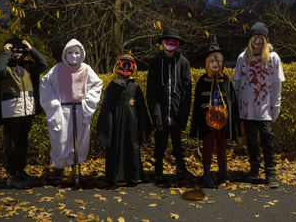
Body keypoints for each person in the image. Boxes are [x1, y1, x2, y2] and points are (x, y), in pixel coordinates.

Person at [39, 38, 103, 181]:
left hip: (81, 110)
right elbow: (44, 83)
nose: (74, 56)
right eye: (70, 52)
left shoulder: (86, 69)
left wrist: (88, 102)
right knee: (61, 140)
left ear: (81, 53)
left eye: (77, 52)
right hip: (62, 111)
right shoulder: (57, 69)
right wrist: (53, 104)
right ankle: (59, 167)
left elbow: (97, 84)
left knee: (80, 140)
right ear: (64, 53)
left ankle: (76, 167)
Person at [0, 37, 48, 189]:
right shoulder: (4, 67)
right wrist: (5, 52)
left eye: (19, 51)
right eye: (15, 51)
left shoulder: (28, 66)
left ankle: (20, 170)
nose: (18, 54)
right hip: (11, 112)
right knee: (12, 144)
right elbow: (0, 70)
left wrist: (31, 49)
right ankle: (12, 173)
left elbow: (43, 64)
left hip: (27, 110)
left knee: (22, 143)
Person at [234, 22, 285, 188]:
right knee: (251, 141)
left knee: (267, 139)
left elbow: (277, 83)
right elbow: (238, 83)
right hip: (247, 107)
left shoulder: (273, 57)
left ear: (265, 39)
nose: (257, 40)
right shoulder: (243, 57)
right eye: (254, 37)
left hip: (265, 108)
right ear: (250, 39)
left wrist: (275, 105)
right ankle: (254, 168)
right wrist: (237, 105)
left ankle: (270, 172)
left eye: (260, 37)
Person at [189, 38, 240, 188]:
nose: (216, 64)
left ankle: (223, 172)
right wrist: (199, 119)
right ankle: (206, 174)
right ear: (207, 63)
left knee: (222, 145)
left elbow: (231, 100)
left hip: (223, 120)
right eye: (212, 61)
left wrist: (231, 117)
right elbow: (197, 103)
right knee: (208, 145)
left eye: (218, 61)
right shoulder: (202, 80)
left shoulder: (226, 80)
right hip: (207, 121)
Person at [96, 54, 152, 187]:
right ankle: (116, 176)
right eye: (123, 64)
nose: (126, 68)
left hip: (132, 126)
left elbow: (141, 108)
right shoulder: (112, 86)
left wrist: (143, 127)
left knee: (132, 147)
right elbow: (106, 109)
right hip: (116, 126)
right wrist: (107, 129)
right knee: (116, 148)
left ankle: (134, 176)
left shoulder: (135, 86)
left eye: (129, 65)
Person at [146, 27, 192, 183]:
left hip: (178, 110)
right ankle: (158, 168)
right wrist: (155, 113)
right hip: (161, 109)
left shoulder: (184, 62)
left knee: (177, 141)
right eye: (167, 41)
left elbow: (187, 90)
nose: (170, 44)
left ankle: (181, 167)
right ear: (162, 43)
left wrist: (184, 114)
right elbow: (150, 91)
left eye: (174, 41)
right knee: (161, 142)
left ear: (178, 44)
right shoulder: (155, 62)